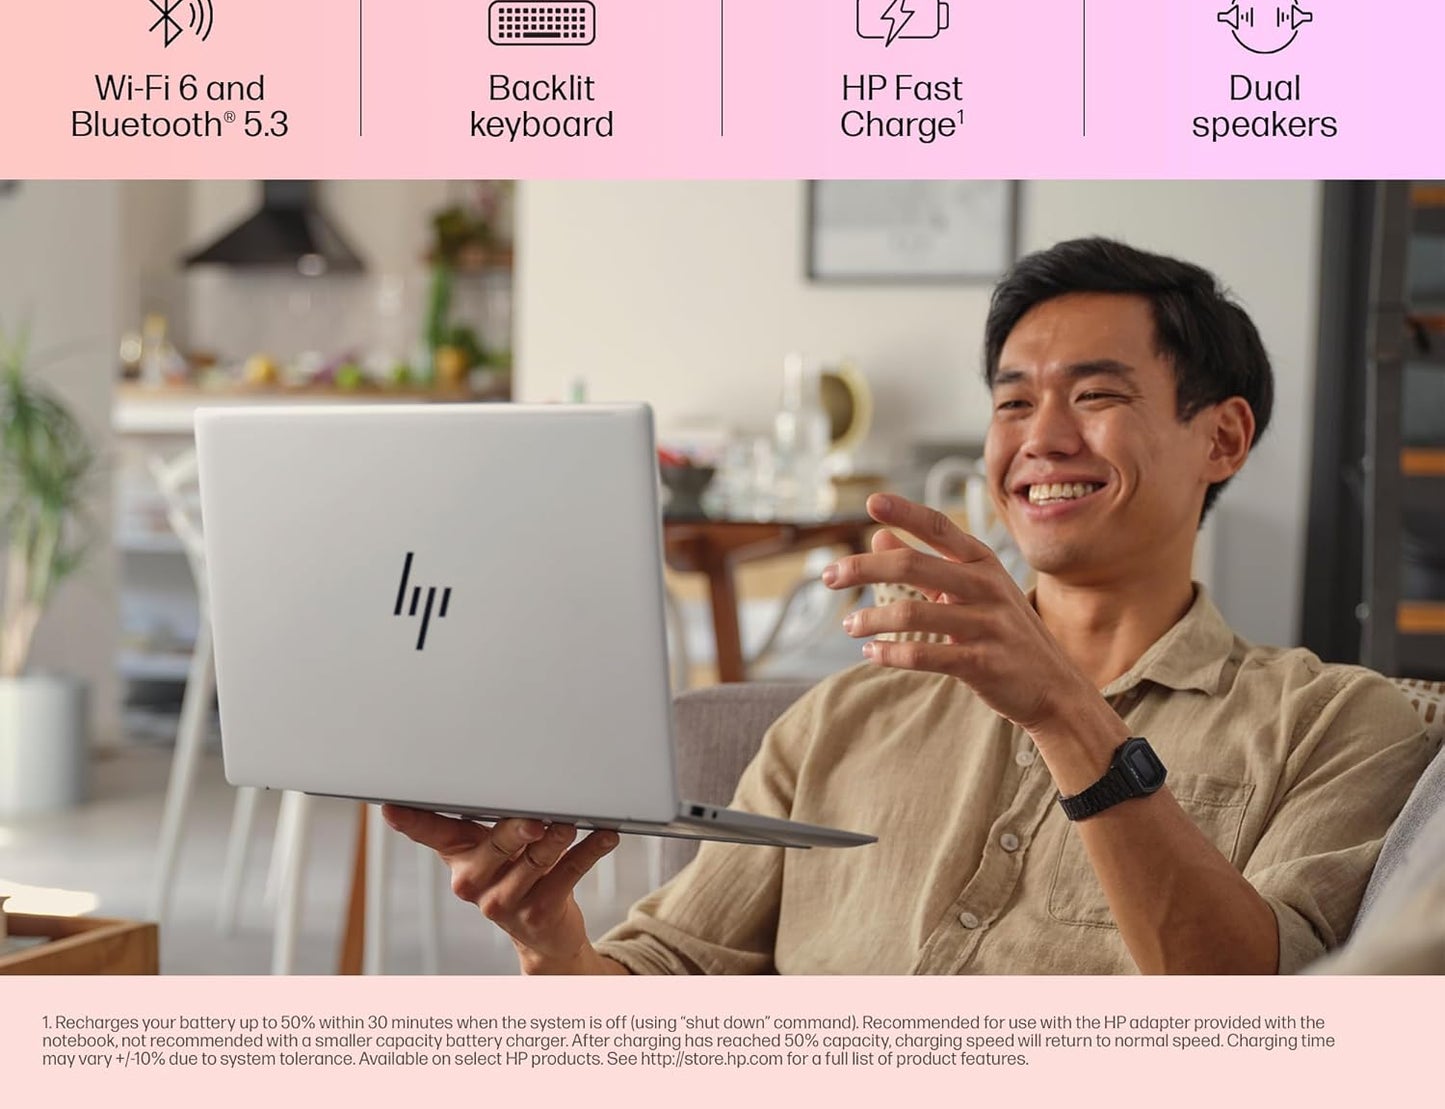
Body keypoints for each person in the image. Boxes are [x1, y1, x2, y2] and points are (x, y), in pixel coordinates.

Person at [385, 237, 1429, 975]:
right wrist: (551, 941)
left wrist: (1067, 714)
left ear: (1222, 437)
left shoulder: (1340, 723)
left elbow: (1256, 1021)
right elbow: (664, 986)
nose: (1042, 436)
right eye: (1012, 400)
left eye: (1096, 395)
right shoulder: (838, 723)